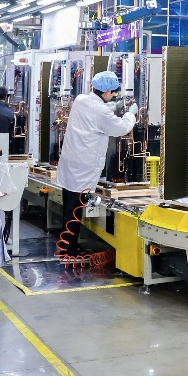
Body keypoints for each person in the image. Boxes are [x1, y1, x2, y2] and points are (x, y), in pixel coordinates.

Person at [54, 71, 137, 255]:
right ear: (106, 91)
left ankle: (67, 243)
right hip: (83, 166)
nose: (114, 95)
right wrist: (131, 114)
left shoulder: (81, 100)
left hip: (71, 162)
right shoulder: (101, 111)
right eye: (113, 93)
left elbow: (99, 110)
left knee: (69, 204)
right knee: (75, 208)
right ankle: (68, 249)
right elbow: (120, 128)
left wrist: (115, 105)